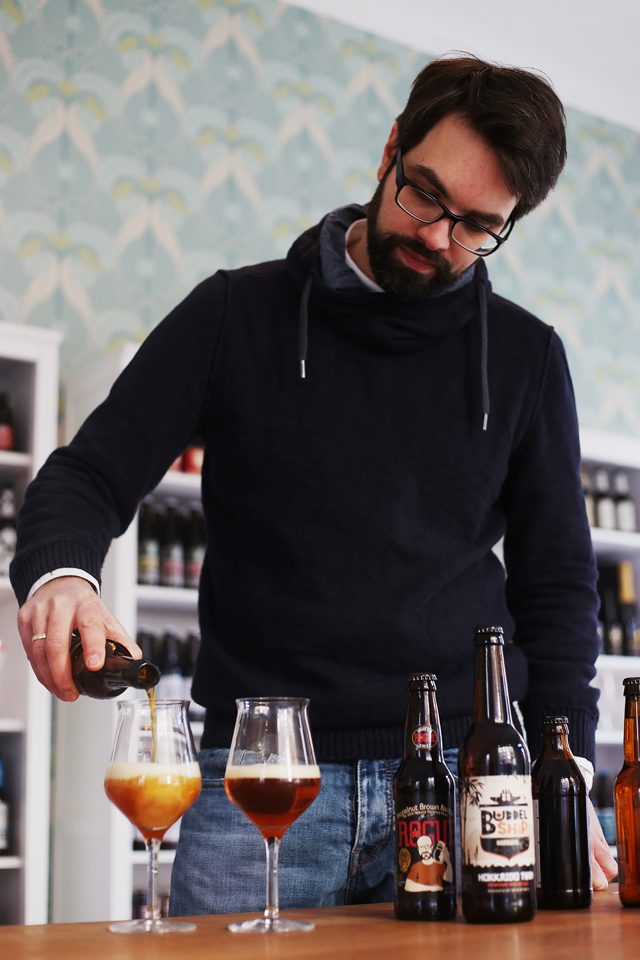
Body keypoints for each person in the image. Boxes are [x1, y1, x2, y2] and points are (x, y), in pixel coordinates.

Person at [11, 55, 617, 912]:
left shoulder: (528, 359)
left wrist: (566, 770)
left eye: (478, 227)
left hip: (463, 782)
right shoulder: (233, 314)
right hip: (263, 777)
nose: (439, 239)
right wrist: (63, 575)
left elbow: (558, 589)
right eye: (425, 196)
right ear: (391, 149)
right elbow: (87, 473)